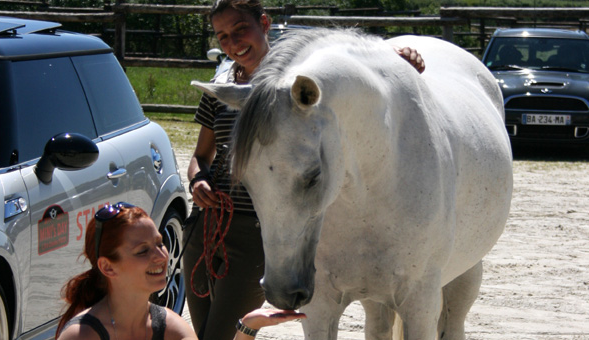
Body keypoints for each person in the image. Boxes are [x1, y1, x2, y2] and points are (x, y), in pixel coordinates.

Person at [185, 2, 426, 340]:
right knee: (204, 331)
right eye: (222, 35)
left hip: (259, 232)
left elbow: (345, 58)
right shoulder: (223, 83)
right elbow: (201, 154)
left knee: (222, 336)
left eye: (240, 29)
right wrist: (197, 178)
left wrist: (390, 55)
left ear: (265, 23)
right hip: (207, 228)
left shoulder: (301, 76)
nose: (232, 42)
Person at [56, 202, 305, 340]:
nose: (161, 256)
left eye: (160, 243)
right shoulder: (81, 336)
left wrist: (247, 328)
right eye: (142, 251)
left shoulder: (170, 327)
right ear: (107, 267)